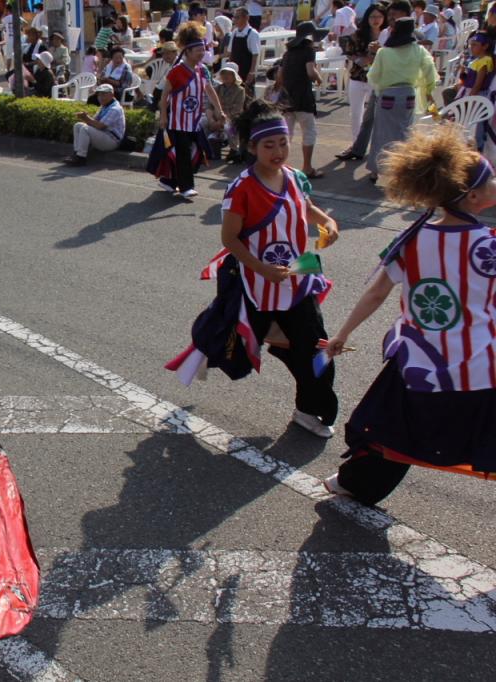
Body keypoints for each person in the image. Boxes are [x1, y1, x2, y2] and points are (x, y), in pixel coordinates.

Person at [323, 125, 496, 505]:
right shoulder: (488, 246)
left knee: (385, 429)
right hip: (481, 366)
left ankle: (356, 482)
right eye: (491, 180)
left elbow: (377, 292)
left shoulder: (413, 238)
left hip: (419, 361)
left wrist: (343, 334)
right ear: (473, 197)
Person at [195, 100, 340, 436]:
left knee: (318, 349)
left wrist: (328, 222)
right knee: (236, 352)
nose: (278, 151)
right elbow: (230, 240)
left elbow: (306, 206)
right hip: (254, 285)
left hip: (298, 277)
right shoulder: (241, 188)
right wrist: (261, 268)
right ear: (252, 147)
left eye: (283, 142)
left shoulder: (296, 177)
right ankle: (206, 348)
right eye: (269, 145)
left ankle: (309, 410)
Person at [150, 22, 226, 198]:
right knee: (183, 154)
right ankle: (185, 187)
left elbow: (210, 90)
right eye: (198, 50)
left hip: (195, 121)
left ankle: (169, 181)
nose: (202, 53)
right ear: (188, 52)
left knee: (200, 152)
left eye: (203, 49)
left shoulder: (202, 70)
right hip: (177, 121)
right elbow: (164, 96)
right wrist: (163, 116)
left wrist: (219, 109)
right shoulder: (177, 71)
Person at [365, 17, 438, 183]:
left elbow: (373, 75)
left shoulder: (384, 52)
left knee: (381, 133)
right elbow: (430, 72)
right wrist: (428, 92)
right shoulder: (419, 51)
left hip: (387, 95)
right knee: (404, 132)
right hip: (408, 95)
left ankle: (376, 171)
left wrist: (379, 88)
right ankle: (402, 169)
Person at [340, 0, 413, 162]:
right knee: (364, 118)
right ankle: (358, 149)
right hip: (369, 80)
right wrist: (366, 58)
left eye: (382, 16)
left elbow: (391, 57)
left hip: (395, 85)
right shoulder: (382, 33)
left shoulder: (412, 35)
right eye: (390, 14)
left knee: (390, 123)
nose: (378, 19)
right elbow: (356, 53)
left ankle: (390, 159)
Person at [280, 21, 326, 178]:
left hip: (287, 98)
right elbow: (310, 72)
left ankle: (280, 167)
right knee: (309, 131)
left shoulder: (287, 53)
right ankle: (307, 167)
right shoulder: (308, 51)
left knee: (287, 134)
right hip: (303, 97)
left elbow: (279, 76)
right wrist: (319, 79)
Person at [338, 4, 385, 158]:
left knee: (374, 116)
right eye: (372, 16)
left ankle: (373, 146)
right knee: (356, 113)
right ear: (367, 18)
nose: (376, 20)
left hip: (377, 79)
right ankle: (356, 145)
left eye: (379, 16)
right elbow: (348, 52)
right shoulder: (358, 34)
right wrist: (361, 59)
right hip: (358, 77)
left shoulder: (387, 35)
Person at [64, 84, 125, 165]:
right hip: (104, 135)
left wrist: (86, 118)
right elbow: (94, 122)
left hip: (112, 141)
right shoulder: (104, 106)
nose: (100, 97)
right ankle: (76, 153)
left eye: (104, 94)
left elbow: (100, 126)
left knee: (85, 129)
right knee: (78, 125)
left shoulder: (115, 109)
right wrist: (85, 117)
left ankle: (81, 158)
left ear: (111, 95)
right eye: (99, 95)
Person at [216, 62, 248, 161]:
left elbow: (237, 109)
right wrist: (214, 117)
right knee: (202, 124)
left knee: (230, 127)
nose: (225, 76)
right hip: (216, 116)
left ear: (234, 76)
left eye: (229, 73)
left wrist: (224, 118)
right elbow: (211, 105)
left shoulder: (240, 90)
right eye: (224, 73)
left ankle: (234, 150)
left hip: (232, 117)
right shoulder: (217, 88)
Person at [229, 7, 260, 96]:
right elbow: (231, 52)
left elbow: (255, 54)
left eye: (237, 17)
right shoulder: (234, 32)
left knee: (247, 96)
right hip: (235, 71)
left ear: (246, 18)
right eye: (234, 17)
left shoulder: (252, 33)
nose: (235, 20)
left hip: (246, 69)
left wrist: (252, 72)